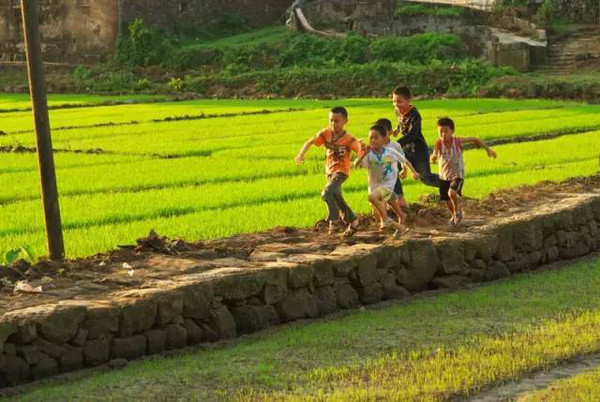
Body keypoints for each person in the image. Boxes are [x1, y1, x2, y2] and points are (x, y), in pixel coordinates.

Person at [295, 106, 362, 236]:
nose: (333, 124)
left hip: (341, 171)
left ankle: (333, 220)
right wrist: (301, 154)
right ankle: (353, 221)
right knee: (337, 197)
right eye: (331, 120)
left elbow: (359, 150)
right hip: (329, 171)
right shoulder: (325, 133)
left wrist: (361, 156)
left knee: (326, 193)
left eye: (336, 121)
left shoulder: (348, 138)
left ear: (345, 121)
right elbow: (310, 142)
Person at [431, 117, 497, 225]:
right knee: (446, 199)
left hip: (457, 174)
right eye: (440, 132)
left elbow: (476, 139)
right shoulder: (438, 143)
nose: (443, 134)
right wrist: (433, 157)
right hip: (444, 175)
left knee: (451, 193)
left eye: (446, 131)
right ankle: (455, 214)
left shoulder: (457, 141)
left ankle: (457, 211)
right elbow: (434, 153)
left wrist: (488, 150)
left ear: (452, 131)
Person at [354, 125, 419, 236]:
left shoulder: (390, 152)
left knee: (372, 198)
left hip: (388, 184)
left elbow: (405, 161)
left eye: (376, 137)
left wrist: (414, 172)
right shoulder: (368, 154)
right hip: (374, 186)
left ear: (384, 139)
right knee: (378, 213)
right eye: (371, 138)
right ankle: (400, 219)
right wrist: (363, 154)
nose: (373, 140)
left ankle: (390, 222)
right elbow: (356, 165)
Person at [392, 86, 440, 188]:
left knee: (426, 179)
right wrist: (397, 129)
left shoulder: (415, 115)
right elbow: (401, 120)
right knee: (392, 166)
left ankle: (449, 184)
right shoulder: (397, 110)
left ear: (408, 101)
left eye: (399, 102)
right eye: (394, 101)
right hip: (406, 148)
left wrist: (396, 144)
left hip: (418, 150)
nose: (396, 104)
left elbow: (412, 134)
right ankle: (396, 197)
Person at [374, 117, 419, 222]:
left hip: (393, 178)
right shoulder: (375, 146)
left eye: (383, 132)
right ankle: (383, 223)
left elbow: (404, 159)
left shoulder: (394, 146)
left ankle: (408, 218)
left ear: (390, 132)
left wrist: (411, 171)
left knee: (400, 201)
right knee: (379, 202)